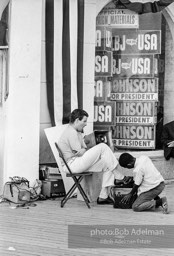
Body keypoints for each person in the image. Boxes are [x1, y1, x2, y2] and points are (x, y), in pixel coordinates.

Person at [58, 109, 128, 204]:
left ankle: (103, 196)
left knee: (107, 163)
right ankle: (119, 177)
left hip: (76, 163)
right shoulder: (71, 132)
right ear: (77, 120)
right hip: (72, 165)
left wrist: (85, 149)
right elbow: (81, 152)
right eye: (84, 121)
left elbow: (84, 149)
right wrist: (86, 149)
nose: (86, 124)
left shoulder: (76, 132)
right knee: (103, 146)